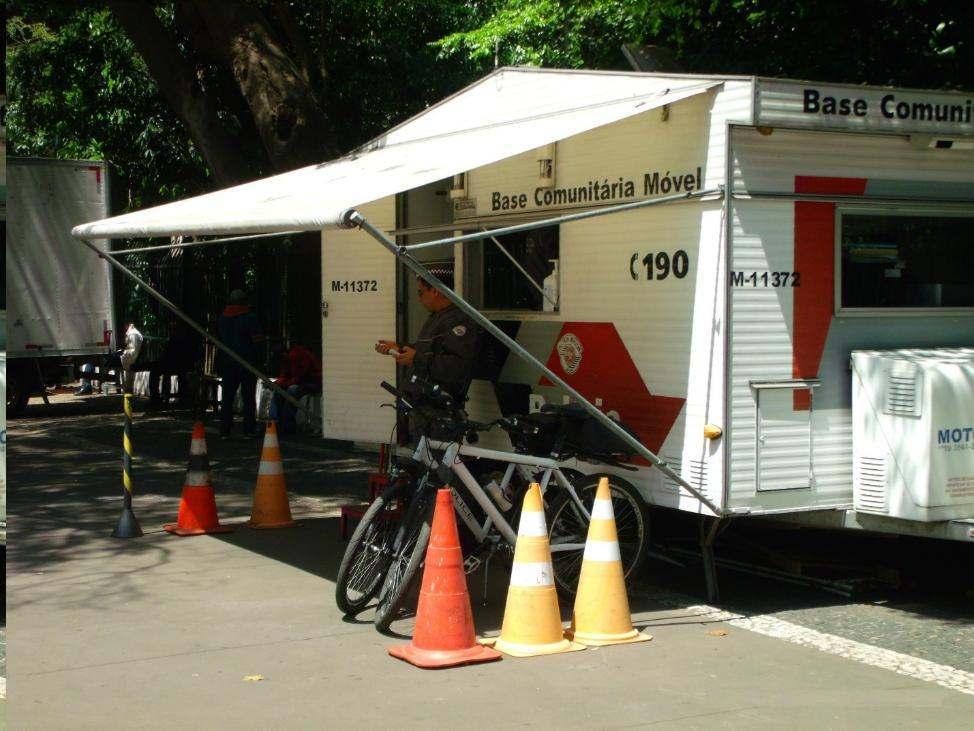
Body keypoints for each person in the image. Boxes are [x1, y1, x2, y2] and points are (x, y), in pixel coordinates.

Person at [374, 263, 479, 407]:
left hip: (440, 407)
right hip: (421, 404)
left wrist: (416, 359)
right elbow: (425, 350)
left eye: (420, 292)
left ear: (435, 291)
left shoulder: (458, 321)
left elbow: (457, 367)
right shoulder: (437, 317)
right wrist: (399, 347)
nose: (419, 298)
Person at [216, 289, 264, 436]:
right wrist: (260, 359)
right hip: (246, 361)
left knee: (227, 397)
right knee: (248, 397)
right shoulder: (249, 317)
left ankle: (225, 429)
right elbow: (257, 340)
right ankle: (248, 429)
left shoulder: (223, 318)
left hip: (228, 362)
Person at [268, 343, 322, 435]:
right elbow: (285, 375)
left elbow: (300, 377)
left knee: (291, 390)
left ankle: (288, 424)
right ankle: (276, 421)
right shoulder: (286, 359)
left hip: (312, 382)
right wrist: (277, 384)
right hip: (301, 382)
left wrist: (282, 383)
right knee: (279, 391)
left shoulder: (300, 356)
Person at [147, 320, 204, 406]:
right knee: (155, 370)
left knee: (156, 370)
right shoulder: (181, 338)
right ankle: (156, 398)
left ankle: (156, 399)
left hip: (180, 365)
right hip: (177, 364)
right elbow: (167, 354)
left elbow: (169, 354)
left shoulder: (184, 338)